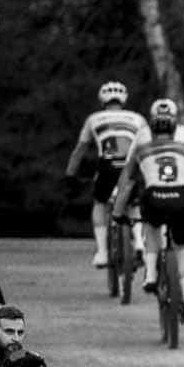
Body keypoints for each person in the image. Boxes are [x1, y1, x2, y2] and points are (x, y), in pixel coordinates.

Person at [111, 100, 184, 320]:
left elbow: (127, 180)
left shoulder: (141, 138)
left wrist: (117, 212)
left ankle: (150, 275)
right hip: (181, 197)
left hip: (153, 196)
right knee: (183, 248)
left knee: (151, 229)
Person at [67, 83, 151, 272]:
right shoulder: (138, 118)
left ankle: (103, 252)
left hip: (107, 166)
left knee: (100, 203)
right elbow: (149, 145)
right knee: (134, 203)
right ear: (124, 99)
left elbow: (80, 149)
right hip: (131, 165)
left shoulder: (94, 119)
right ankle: (139, 242)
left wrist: (70, 174)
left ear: (102, 99)